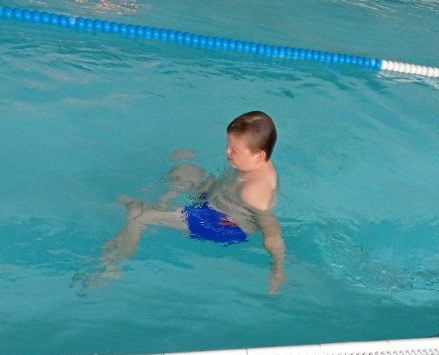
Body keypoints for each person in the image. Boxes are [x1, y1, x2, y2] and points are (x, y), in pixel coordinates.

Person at [83, 111, 287, 294]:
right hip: (218, 201)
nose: (227, 152)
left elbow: (271, 229)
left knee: (140, 215)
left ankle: (112, 265)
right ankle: (162, 207)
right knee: (185, 169)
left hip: (223, 225)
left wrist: (278, 269)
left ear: (259, 156)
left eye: (234, 150)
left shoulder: (255, 190)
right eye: (228, 145)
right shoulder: (255, 164)